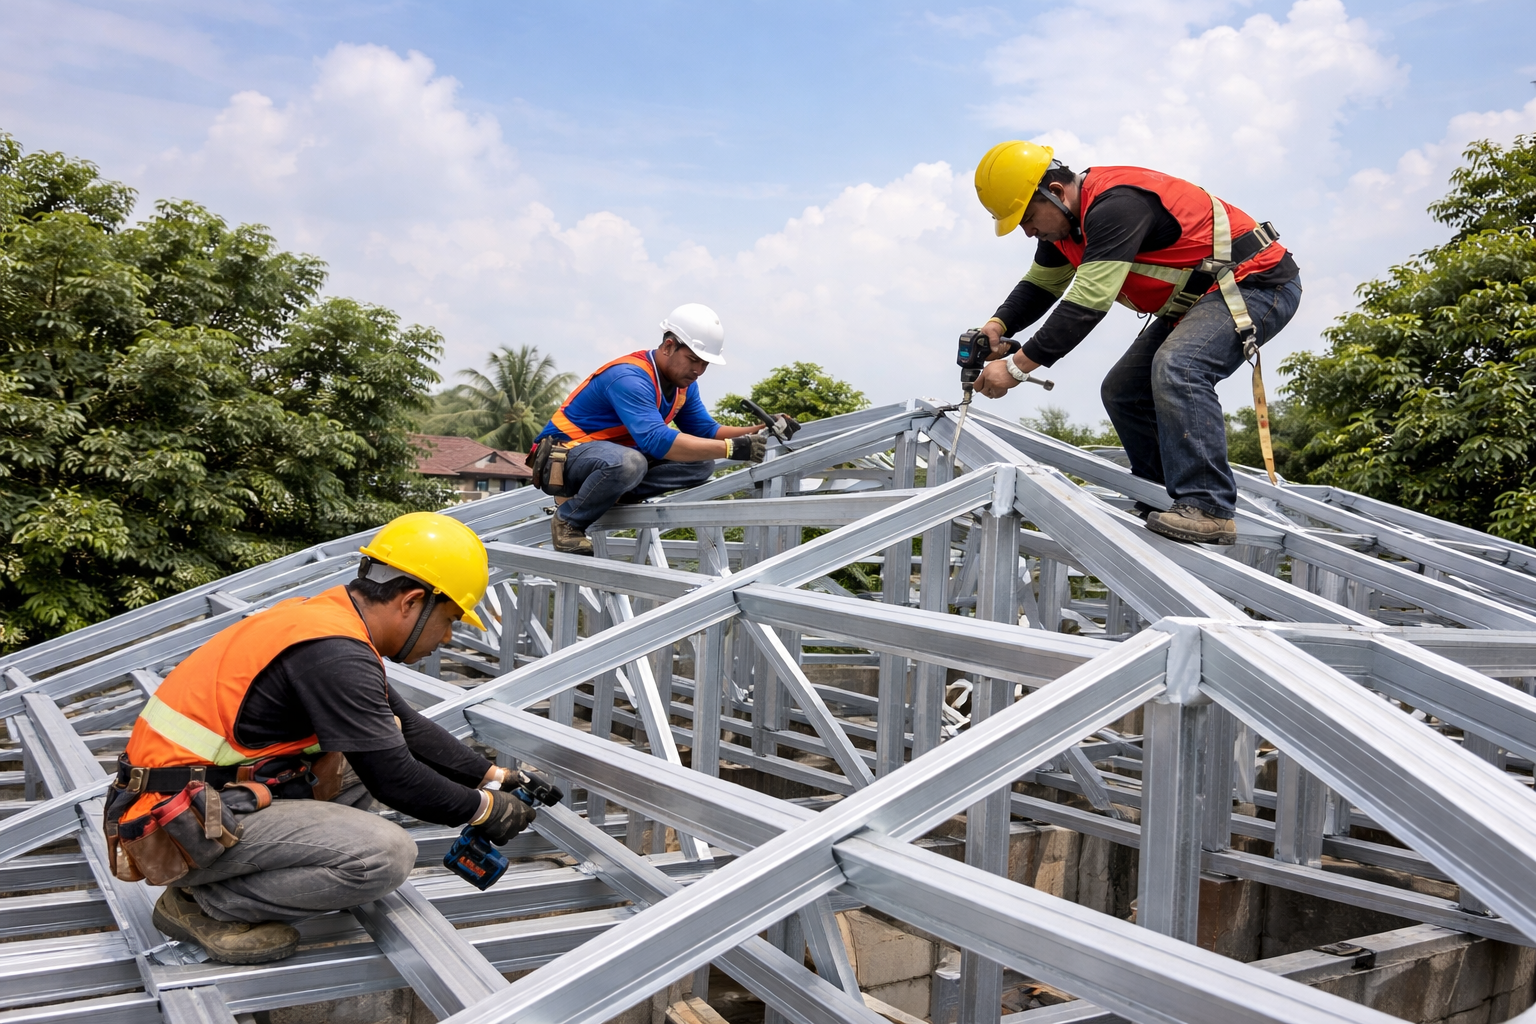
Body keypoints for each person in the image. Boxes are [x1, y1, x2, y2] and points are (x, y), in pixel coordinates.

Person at [103, 512, 536, 965]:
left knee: (376, 741)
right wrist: (483, 809)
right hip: (174, 824)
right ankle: (206, 904)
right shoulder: (334, 653)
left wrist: (494, 777)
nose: (446, 637)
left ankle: (304, 872)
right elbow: (395, 780)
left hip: (200, 798)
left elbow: (407, 726)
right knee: (386, 855)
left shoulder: (326, 622)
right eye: (448, 620)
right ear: (411, 601)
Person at [967, 140, 1303, 545]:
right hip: (1202, 300)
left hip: (1257, 283)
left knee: (1180, 366)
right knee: (1124, 391)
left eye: (1028, 218)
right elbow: (1041, 286)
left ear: (1055, 192)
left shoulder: (1116, 206)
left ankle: (1208, 506)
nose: (1028, 231)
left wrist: (1016, 367)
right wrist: (997, 324)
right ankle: (1158, 495)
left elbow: (1087, 303)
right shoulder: (1063, 228)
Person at [531, 303, 790, 555]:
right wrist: (731, 449)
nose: (698, 370)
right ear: (668, 346)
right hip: (566, 459)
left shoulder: (683, 385)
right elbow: (656, 440)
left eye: (705, 364)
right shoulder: (629, 378)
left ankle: (613, 494)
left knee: (701, 463)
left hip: (611, 461)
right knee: (629, 463)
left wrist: (762, 428)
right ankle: (569, 520)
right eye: (693, 360)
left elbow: (706, 430)